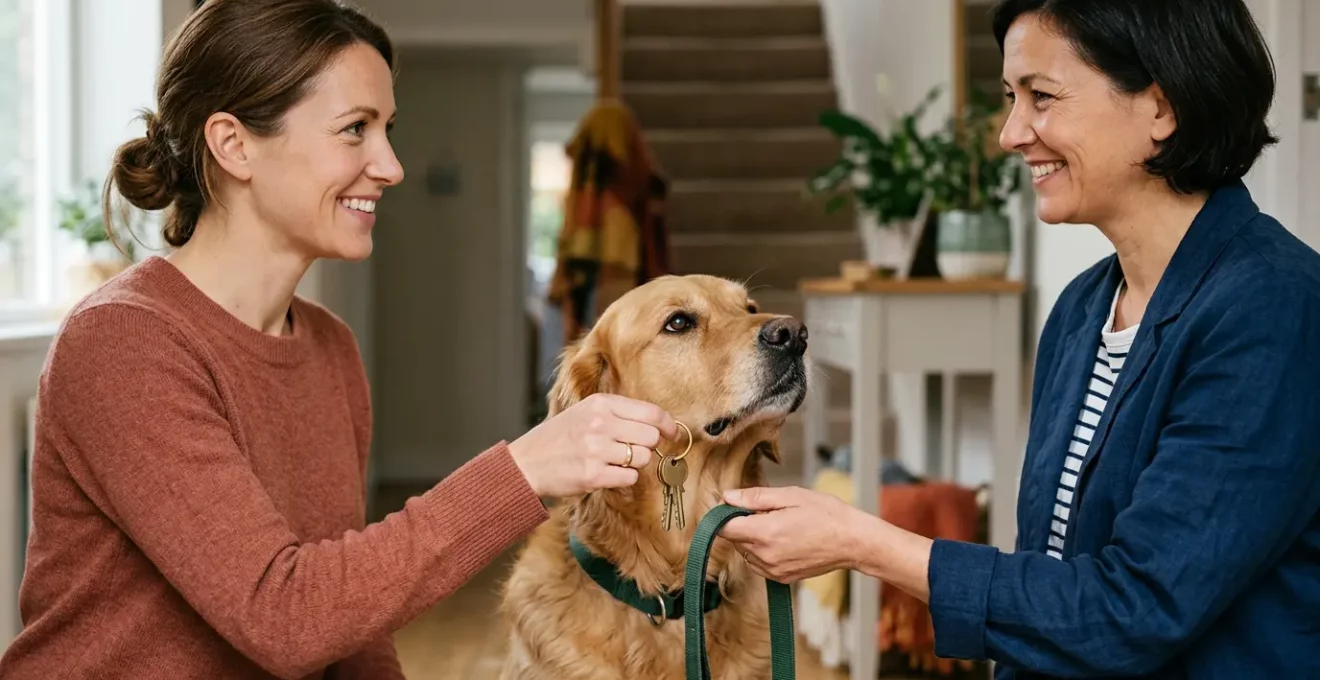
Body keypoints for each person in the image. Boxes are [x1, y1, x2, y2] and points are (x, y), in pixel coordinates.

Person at [0, 1, 678, 678]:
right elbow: (285, 614)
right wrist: (524, 468)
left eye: (386, 129)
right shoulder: (124, 345)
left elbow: (351, 623)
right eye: (355, 130)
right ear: (234, 144)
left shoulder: (326, 347)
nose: (390, 166)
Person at [719, 0, 1320, 678]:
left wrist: (862, 542)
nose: (1010, 133)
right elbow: (1050, 576)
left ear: (1161, 106)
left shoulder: (1275, 310)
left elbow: (1135, 609)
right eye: (1011, 98)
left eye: (1042, 96)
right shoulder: (1083, 308)